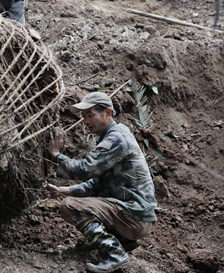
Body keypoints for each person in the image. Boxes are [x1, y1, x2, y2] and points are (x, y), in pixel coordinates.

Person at [45, 92, 157, 272]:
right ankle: (122, 241)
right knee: (75, 199)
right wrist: (62, 189)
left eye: (90, 115)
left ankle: (114, 253)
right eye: (83, 116)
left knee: (70, 206)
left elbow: (84, 170)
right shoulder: (112, 136)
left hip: (133, 216)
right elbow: (95, 184)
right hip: (132, 213)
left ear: (108, 112)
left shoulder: (116, 138)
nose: (86, 121)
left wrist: (57, 155)